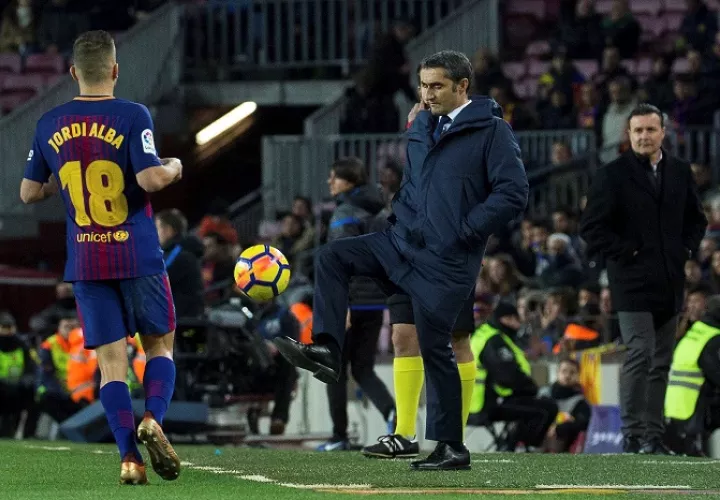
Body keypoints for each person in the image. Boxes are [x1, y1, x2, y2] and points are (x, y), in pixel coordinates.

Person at [273, 50, 528, 471]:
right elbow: (415, 184)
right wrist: (400, 219)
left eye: (437, 86)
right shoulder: (420, 125)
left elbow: (514, 192)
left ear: (462, 87)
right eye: (423, 86)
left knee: (435, 345)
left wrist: (465, 232)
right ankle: (328, 349)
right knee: (332, 257)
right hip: (400, 242)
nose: (427, 95)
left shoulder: (492, 132)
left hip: (447, 260)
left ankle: (451, 448)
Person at [19, 30, 183, 485]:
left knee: (112, 363)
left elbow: (29, 191)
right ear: (114, 70)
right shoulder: (133, 114)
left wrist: (60, 181)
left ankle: (129, 459)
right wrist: (174, 166)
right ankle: (153, 418)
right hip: (137, 253)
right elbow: (150, 180)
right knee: (159, 346)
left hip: (87, 260)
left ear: (73, 73)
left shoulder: (49, 122)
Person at [579, 103, 707, 455]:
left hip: (670, 281)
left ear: (663, 132)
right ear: (629, 134)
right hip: (631, 282)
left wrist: (685, 250)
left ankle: (653, 435)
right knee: (640, 352)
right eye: (637, 131)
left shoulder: (680, 172)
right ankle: (633, 433)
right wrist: (627, 251)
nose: (644, 136)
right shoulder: (612, 174)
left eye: (650, 130)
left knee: (661, 358)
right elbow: (590, 228)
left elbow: (697, 220)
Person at [317, 157, 395, 452]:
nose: (329, 182)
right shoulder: (379, 208)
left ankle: (338, 437)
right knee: (363, 369)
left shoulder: (344, 214)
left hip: (350, 300)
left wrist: (342, 304)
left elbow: (342, 259)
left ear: (348, 181)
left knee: (333, 369)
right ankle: (393, 415)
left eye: (334, 177)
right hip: (376, 300)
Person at [466, 302, 558, 452]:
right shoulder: (494, 340)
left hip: (476, 402)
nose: (519, 323)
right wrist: (531, 388)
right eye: (517, 319)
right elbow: (507, 375)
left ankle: (514, 444)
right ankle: (522, 448)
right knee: (546, 409)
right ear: (507, 319)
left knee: (536, 407)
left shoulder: (486, 334)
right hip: (487, 404)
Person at [155, 209, 205, 319]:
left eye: (157, 228)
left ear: (168, 230)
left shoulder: (179, 254)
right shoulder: (175, 251)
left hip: (181, 319)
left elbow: (158, 280)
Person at [539, 358, 591, 453]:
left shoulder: (580, 403)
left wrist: (559, 428)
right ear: (557, 372)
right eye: (564, 371)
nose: (567, 375)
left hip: (562, 446)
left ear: (578, 376)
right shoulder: (544, 395)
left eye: (572, 372)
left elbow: (582, 424)